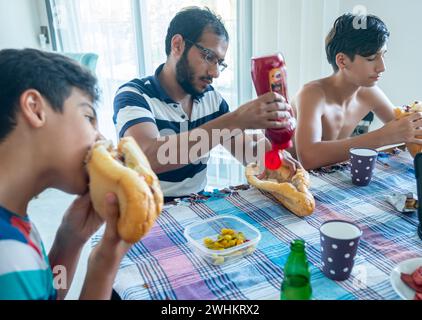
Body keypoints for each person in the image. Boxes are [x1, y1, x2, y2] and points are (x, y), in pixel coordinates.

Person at [113, 7, 300, 202]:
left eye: (220, 62)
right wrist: (237, 119)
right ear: (177, 45)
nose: (215, 72)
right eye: (208, 57)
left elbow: (245, 147)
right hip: (147, 212)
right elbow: (147, 156)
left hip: (196, 207)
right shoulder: (134, 95)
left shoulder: (211, 99)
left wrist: (270, 151)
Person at [0, 48, 131, 300]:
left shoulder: (16, 222)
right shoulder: (7, 254)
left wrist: (69, 241)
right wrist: (104, 263)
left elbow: (45, 294)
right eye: (88, 117)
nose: (100, 139)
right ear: (35, 108)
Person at [293, 13, 422, 170]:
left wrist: (413, 124)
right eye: (371, 58)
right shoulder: (312, 94)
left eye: (383, 55)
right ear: (342, 60)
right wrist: (383, 136)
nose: (382, 67)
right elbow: (308, 157)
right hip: (283, 180)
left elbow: (405, 129)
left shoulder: (369, 92)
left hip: (328, 178)